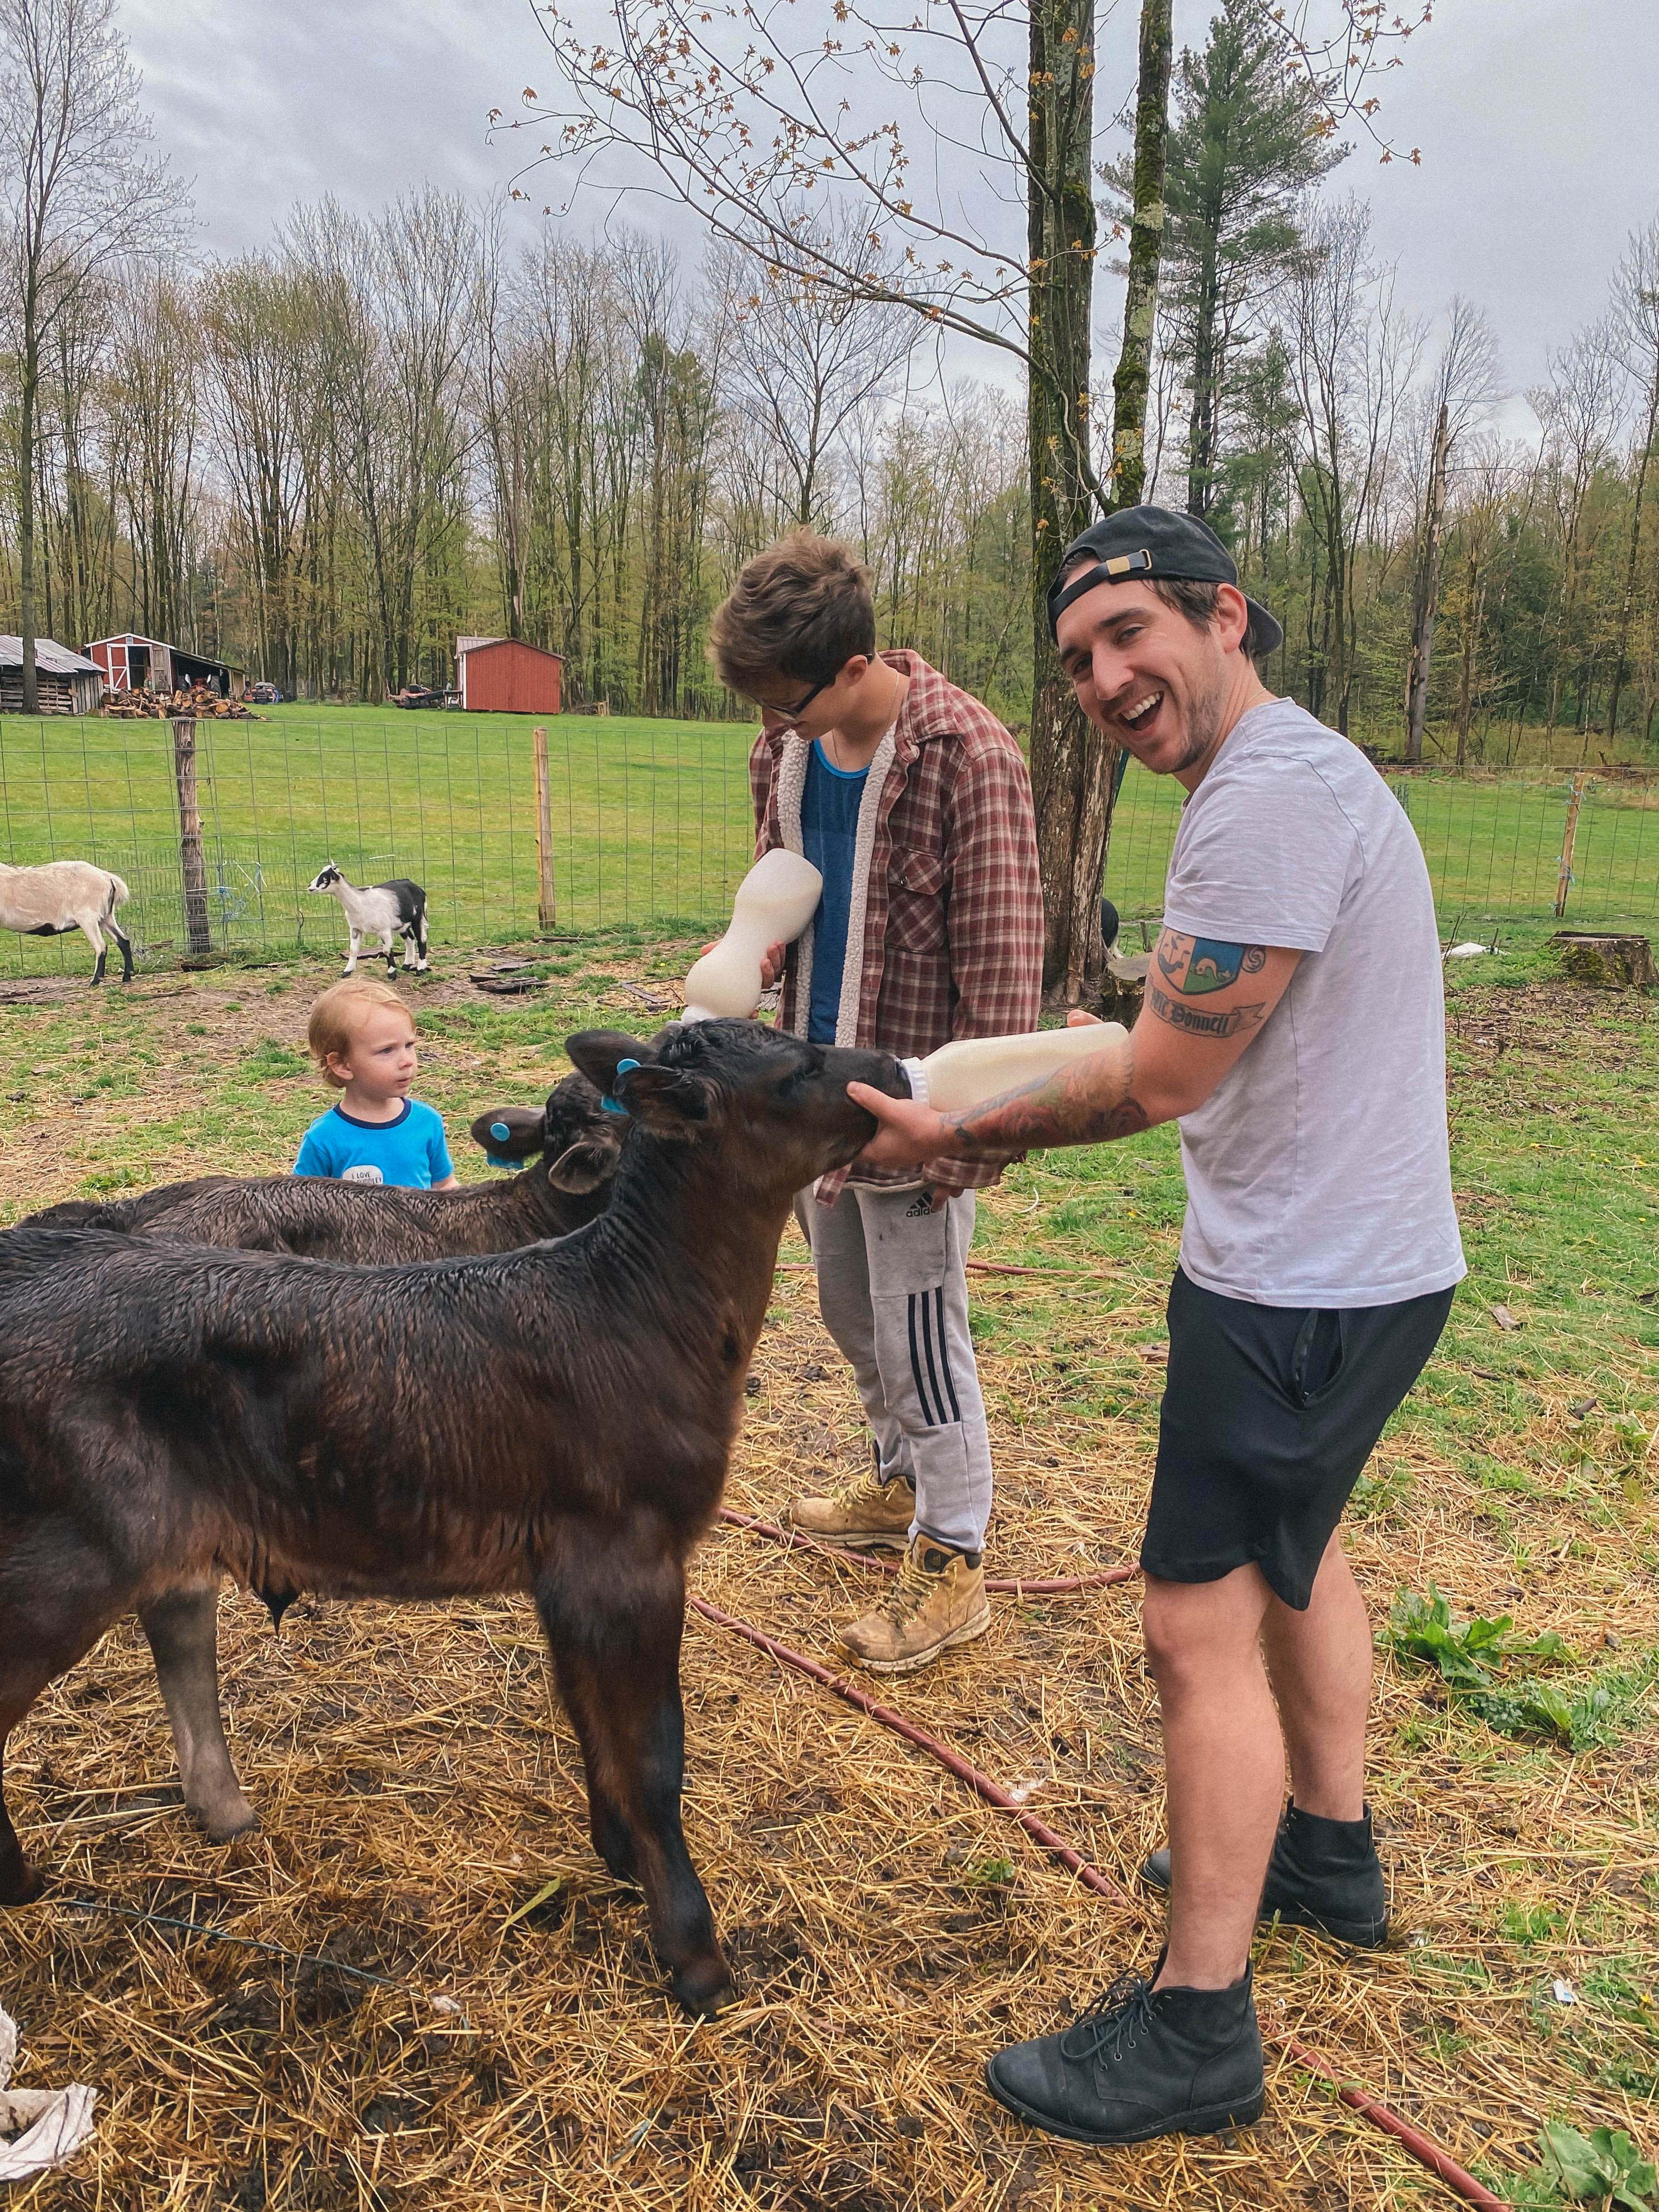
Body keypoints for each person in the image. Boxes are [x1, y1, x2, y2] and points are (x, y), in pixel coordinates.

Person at [847, 507, 1465, 2144]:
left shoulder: (1261, 805)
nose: (1105, 676)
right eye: (1076, 660)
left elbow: (1165, 1070)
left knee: (1193, 1629)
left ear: (1224, 615)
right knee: (1293, 1551)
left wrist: (958, 1128)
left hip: (1299, 1288)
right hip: (1359, 1263)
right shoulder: (1285, 780)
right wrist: (995, 1072)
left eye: (1130, 634)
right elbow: (1152, 1029)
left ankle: (1196, 2023)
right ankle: (1320, 1852)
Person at [706, 527, 1044, 1674]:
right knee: (853, 1315)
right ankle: (898, 1478)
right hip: (815, 1099)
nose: (770, 726)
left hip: (912, 1109)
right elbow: (779, 896)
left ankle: (954, 1556)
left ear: (852, 668)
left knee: (919, 1330)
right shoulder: (786, 758)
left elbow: (1001, 981)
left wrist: (959, 1142)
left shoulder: (967, 755)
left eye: (784, 701)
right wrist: (744, 965)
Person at [294, 976, 458, 1190]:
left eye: (409, 1045)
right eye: (387, 1050)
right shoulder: (324, 1139)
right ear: (343, 1065)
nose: (407, 1061)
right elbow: (299, 1203)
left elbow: (445, 1186)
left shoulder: (427, 1121)